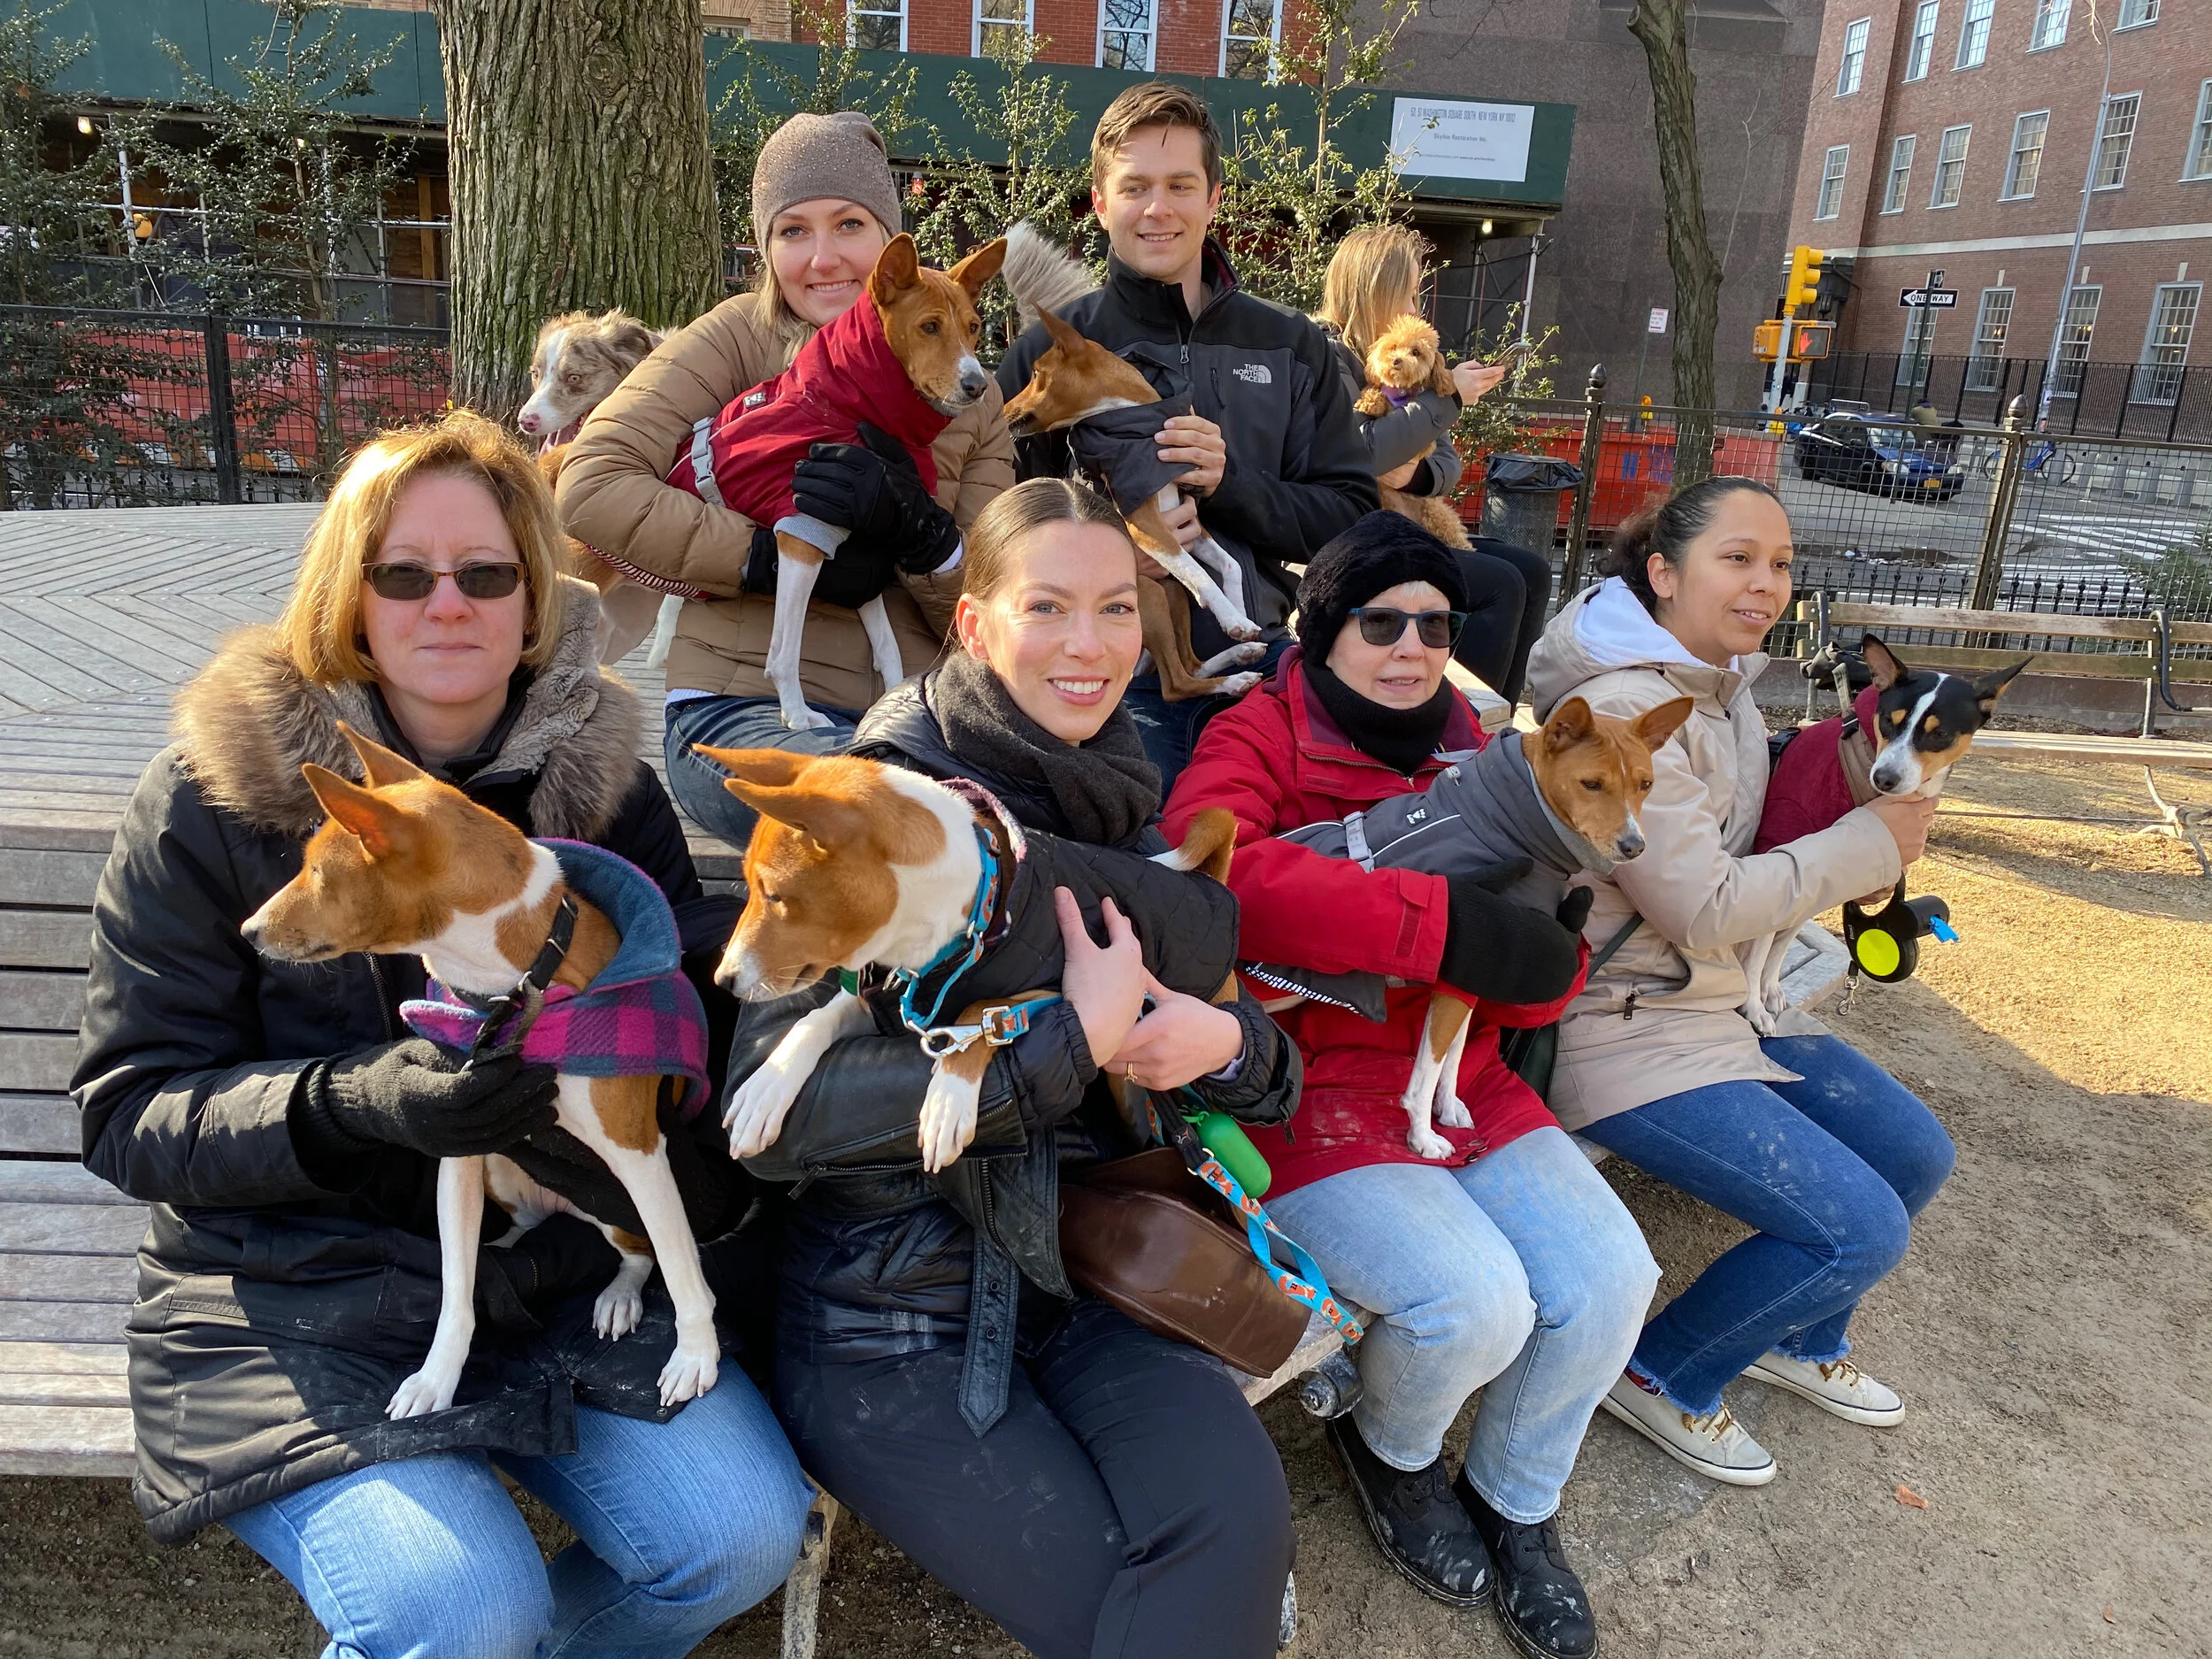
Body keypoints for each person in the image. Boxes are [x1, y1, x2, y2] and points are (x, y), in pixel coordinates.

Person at [73, 411, 814, 1659]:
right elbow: (129, 1107)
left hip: (554, 1272)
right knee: (462, 1608)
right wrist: (354, 1101)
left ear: (534, 592)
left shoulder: (603, 789)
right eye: (403, 573)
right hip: (294, 1285)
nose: (447, 604)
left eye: (486, 572)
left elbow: (686, 1024)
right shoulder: (213, 797)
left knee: (733, 1534)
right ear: (349, 597)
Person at [729, 478, 1303, 1659]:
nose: (1089, 646)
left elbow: (1264, 1065)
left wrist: (1226, 1045)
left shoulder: (1129, 798)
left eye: (1116, 608)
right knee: (1140, 1621)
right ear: (975, 623)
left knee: (1238, 1531)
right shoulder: (870, 801)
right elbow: (775, 1121)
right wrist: (1063, 1048)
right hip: (888, 1315)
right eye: (1047, 607)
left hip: (1087, 1274)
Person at [1165, 511, 1656, 1659]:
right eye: (1379, 619)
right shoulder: (1260, 731)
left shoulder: (1495, 750)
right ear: (1324, 628)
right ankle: (1393, 1452)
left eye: (1437, 622)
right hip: (1311, 1082)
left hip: (1461, 1075)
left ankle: (1515, 1497)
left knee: (1612, 1276)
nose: (1412, 643)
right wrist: (1435, 925)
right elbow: (1207, 859)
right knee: (1472, 1299)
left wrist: (1542, 968)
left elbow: (1529, 948)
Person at [1521, 476, 1955, 1486]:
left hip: (1717, 1003)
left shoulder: (1719, 687)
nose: (1767, 582)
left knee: (1914, 1156)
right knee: (1857, 1229)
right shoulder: (1632, 708)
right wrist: (1863, 845)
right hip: (1619, 1021)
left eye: (1781, 563)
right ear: (1664, 574)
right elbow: (1700, 906)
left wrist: (1859, 788)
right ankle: (1660, 1372)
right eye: (1738, 559)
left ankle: (1792, 1338)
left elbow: (1750, 855)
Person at [556, 111, 1016, 846]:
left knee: (989, 819)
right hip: (745, 703)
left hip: (920, 711)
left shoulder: (971, 398)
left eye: (850, 226)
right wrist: (760, 557)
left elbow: (996, 608)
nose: (825, 257)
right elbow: (589, 485)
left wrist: (929, 542)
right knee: (872, 816)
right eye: (793, 231)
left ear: (890, 247)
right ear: (769, 250)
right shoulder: (734, 338)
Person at [995, 81, 1378, 785]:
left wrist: (1229, 484)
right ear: (1102, 202)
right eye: (1135, 186)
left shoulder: (1291, 345)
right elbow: (998, 526)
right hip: (1106, 685)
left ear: (1214, 198)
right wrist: (1113, 546)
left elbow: (1353, 522)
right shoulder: (1046, 355)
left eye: (1180, 184)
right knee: (1158, 844)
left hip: (1266, 666)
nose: (1158, 209)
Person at [1315, 224, 1554, 709]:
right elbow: (1365, 453)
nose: (1416, 308)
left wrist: (1415, 475)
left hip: (1406, 517)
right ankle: (1458, 719)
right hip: (1348, 530)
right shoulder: (1326, 353)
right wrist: (1451, 401)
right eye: (1408, 294)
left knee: (1529, 569)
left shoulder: (1413, 356)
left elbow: (1445, 463)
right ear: (1376, 291)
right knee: (1498, 586)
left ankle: (1492, 718)